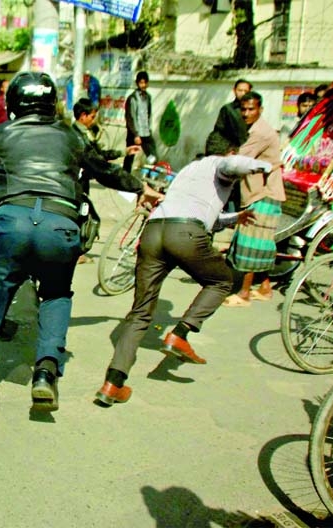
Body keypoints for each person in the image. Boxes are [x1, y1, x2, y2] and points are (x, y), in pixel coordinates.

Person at [0, 72, 159, 412]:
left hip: (10, 225)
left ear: (13, 103)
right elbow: (104, 170)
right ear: (51, 102)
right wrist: (141, 187)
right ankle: (46, 373)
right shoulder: (71, 137)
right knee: (55, 295)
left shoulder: (1, 134)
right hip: (60, 226)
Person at [95, 133, 268, 407]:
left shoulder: (189, 170)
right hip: (183, 235)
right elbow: (230, 168)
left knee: (140, 313)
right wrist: (265, 165)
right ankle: (181, 333)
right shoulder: (218, 164)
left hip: (154, 231)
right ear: (231, 152)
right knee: (222, 281)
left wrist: (236, 217)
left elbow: (201, 215)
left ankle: (112, 384)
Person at [222, 91, 286, 307]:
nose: (246, 113)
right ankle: (265, 287)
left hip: (264, 193)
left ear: (260, 110)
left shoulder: (261, 133)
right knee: (261, 243)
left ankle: (244, 293)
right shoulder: (253, 130)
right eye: (244, 109)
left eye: (251, 109)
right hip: (259, 191)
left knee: (250, 242)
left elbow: (241, 160)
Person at [72, 97, 142, 262]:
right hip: (76, 185)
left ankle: (76, 252)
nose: (93, 120)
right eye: (91, 116)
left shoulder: (84, 134)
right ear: (83, 115)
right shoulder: (77, 137)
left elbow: (98, 155)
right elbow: (97, 163)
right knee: (83, 217)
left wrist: (123, 152)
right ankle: (75, 253)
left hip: (81, 184)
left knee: (82, 216)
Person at [123, 70, 157, 173]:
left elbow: (148, 114)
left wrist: (148, 129)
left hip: (145, 132)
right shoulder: (133, 98)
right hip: (134, 133)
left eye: (145, 82)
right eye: (141, 82)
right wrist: (136, 134)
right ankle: (125, 177)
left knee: (152, 155)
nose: (143, 85)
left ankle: (151, 176)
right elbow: (130, 117)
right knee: (130, 156)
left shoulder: (148, 97)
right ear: (137, 83)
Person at [211, 79, 252, 150]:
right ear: (234, 90)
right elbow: (219, 132)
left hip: (250, 148)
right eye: (240, 90)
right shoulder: (228, 109)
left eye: (245, 91)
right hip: (232, 150)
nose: (243, 93)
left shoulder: (253, 110)